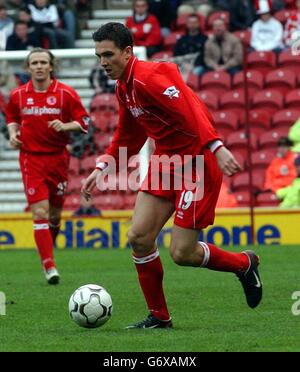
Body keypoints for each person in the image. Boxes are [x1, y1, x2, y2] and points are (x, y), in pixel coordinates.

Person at [82, 22, 263, 329]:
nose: (103, 62)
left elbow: (193, 108)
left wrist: (215, 145)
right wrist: (102, 166)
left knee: (182, 252)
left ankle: (244, 264)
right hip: (165, 162)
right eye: (98, 56)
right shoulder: (123, 87)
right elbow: (127, 134)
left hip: (197, 162)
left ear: (128, 52)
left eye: (108, 55)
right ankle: (159, 316)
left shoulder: (152, 76)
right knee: (139, 238)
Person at [5, 48, 90, 284]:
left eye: (44, 62)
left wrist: (65, 126)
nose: (39, 66)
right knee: (40, 212)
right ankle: (49, 265)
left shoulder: (66, 93)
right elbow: (11, 117)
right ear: (28, 68)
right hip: (31, 159)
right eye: (35, 63)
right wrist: (13, 134)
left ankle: (46, 248)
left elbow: (84, 121)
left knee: (54, 215)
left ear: (51, 66)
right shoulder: (18, 95)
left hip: (59, 159)